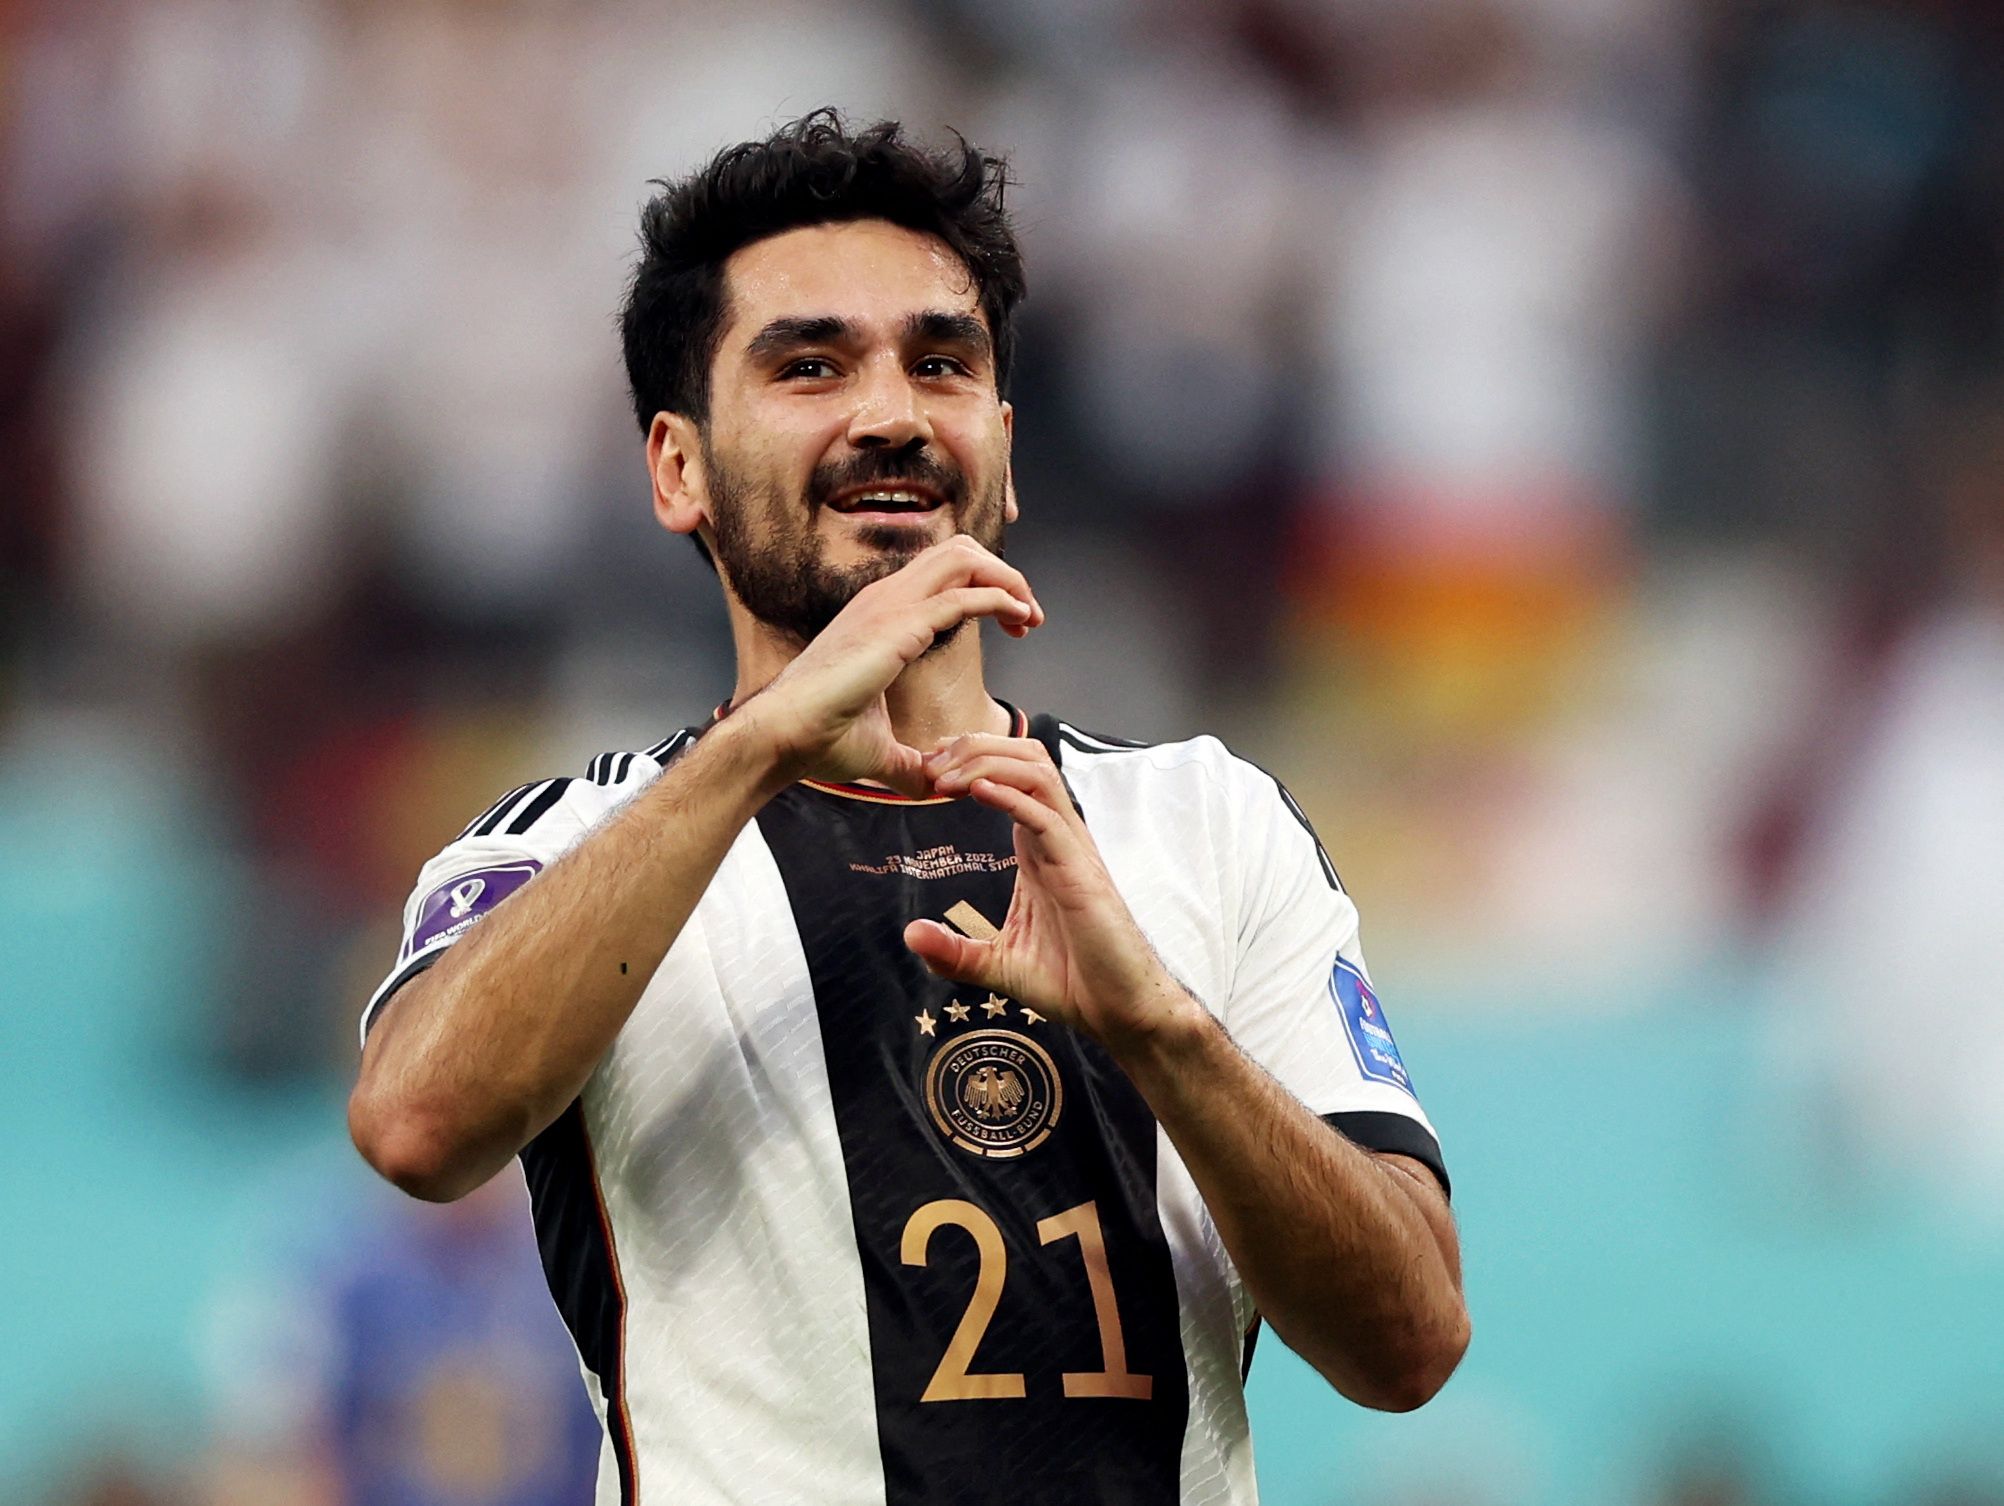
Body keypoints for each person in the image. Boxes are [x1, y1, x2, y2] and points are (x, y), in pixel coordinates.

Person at [347, 111, 1469, 1506]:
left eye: (939, 363)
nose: (889, 411)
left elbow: (1413, 1335)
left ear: (1000, 448)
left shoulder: (1207, 818)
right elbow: (414, 1123)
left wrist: (1164, 1033)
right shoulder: (560, 849)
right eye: (809, 365)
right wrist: (762, 748)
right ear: (676, 467)